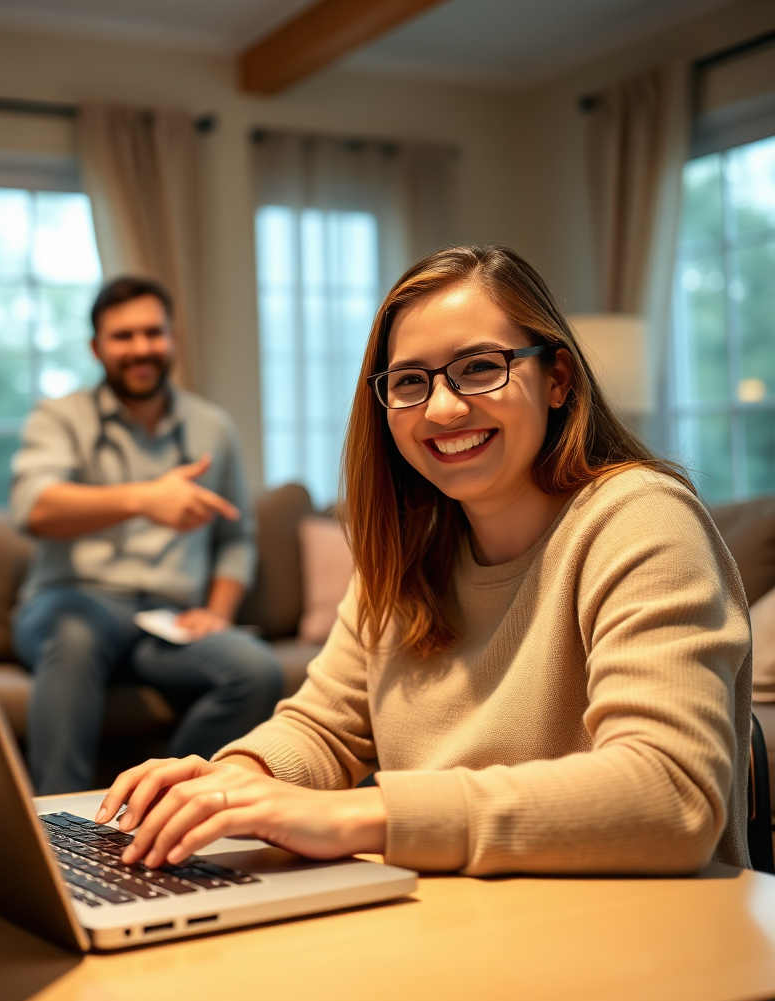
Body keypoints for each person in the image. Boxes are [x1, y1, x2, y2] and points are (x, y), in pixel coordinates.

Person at [95, 245, 752, 877]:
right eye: (410, 381)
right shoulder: (407, 554)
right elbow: (323, 726)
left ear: (557, 379)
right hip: (459, 922)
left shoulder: (641, 517)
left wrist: (360, 815)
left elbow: (671, 796)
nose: (441, 408)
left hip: (637, 940)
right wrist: (231, 784)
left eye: (479, 367)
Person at [11, 276, 283, 796]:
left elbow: (236, 537)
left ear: (173, 338)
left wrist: (219, 610)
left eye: (153, 333)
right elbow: (34, 508)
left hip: (166, 620)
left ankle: (150, 805)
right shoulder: (59, 417)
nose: (141, 349)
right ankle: (51, 826)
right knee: (75, 634)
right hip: (73, 601)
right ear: (96, 347)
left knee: (257, 671)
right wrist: (143, 498)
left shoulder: (213, 427)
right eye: (123, 337)